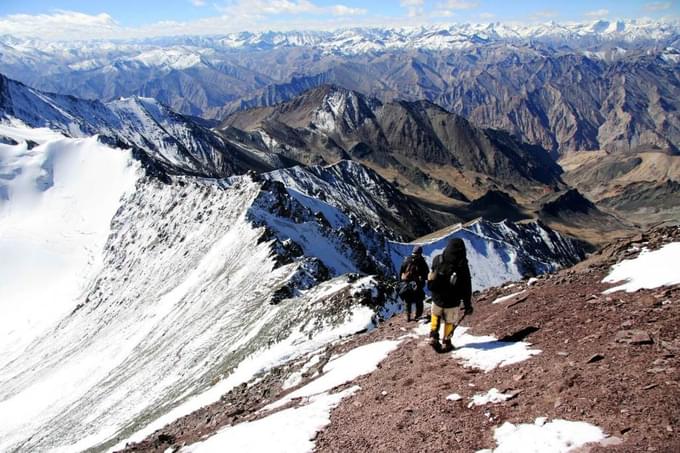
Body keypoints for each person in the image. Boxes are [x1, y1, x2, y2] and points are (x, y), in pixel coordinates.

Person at [427, 238, 473, 352]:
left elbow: (433, 274)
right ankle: (447, 342)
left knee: (435, 316)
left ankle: (433, 336)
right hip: (452, 301)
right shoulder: (462, 266)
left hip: (436, 297)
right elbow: (466, 286)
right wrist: (467, 305)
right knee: (449, 321)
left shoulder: (438, 259)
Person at [399, 246, 429, 322]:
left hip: (406, 283)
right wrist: (422, 281)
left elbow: (401, 271)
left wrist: (402, 282)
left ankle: (407, 316)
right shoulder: (421, 261)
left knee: (407, 300)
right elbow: (426, 273)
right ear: (420, 253)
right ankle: (418, 315)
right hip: (417, 284)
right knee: (419, 300)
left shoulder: (406, 259)